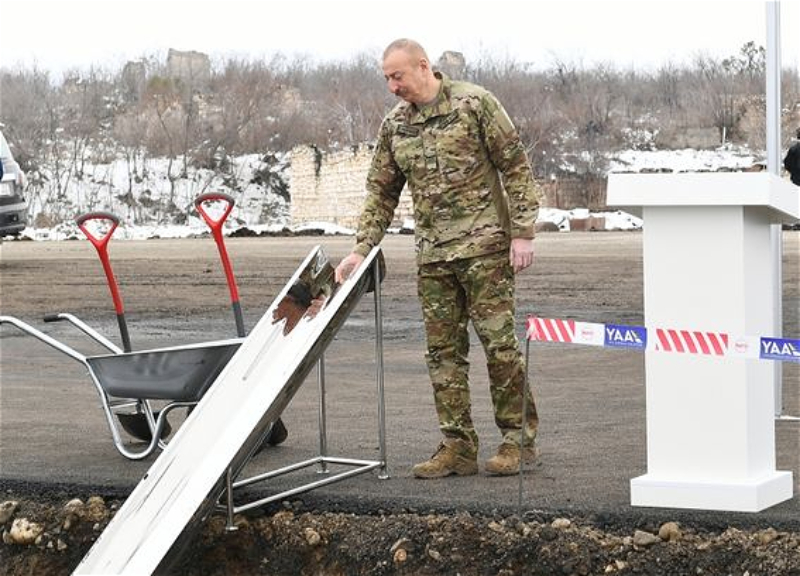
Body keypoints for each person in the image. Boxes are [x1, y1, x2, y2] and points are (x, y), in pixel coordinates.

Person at [334, 39, 542, 478]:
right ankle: (458, 446)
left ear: (423, 67)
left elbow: (516, 167)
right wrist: (361, 248)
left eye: (398, 76)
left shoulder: (474, 104)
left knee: (500, 347)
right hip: (434, 256)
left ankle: (517, 441)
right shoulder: (395, 126)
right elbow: (381, 192)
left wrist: (522, 233)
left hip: (485, 249)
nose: (392, 86)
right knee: (442, 354)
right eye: (386, 78)